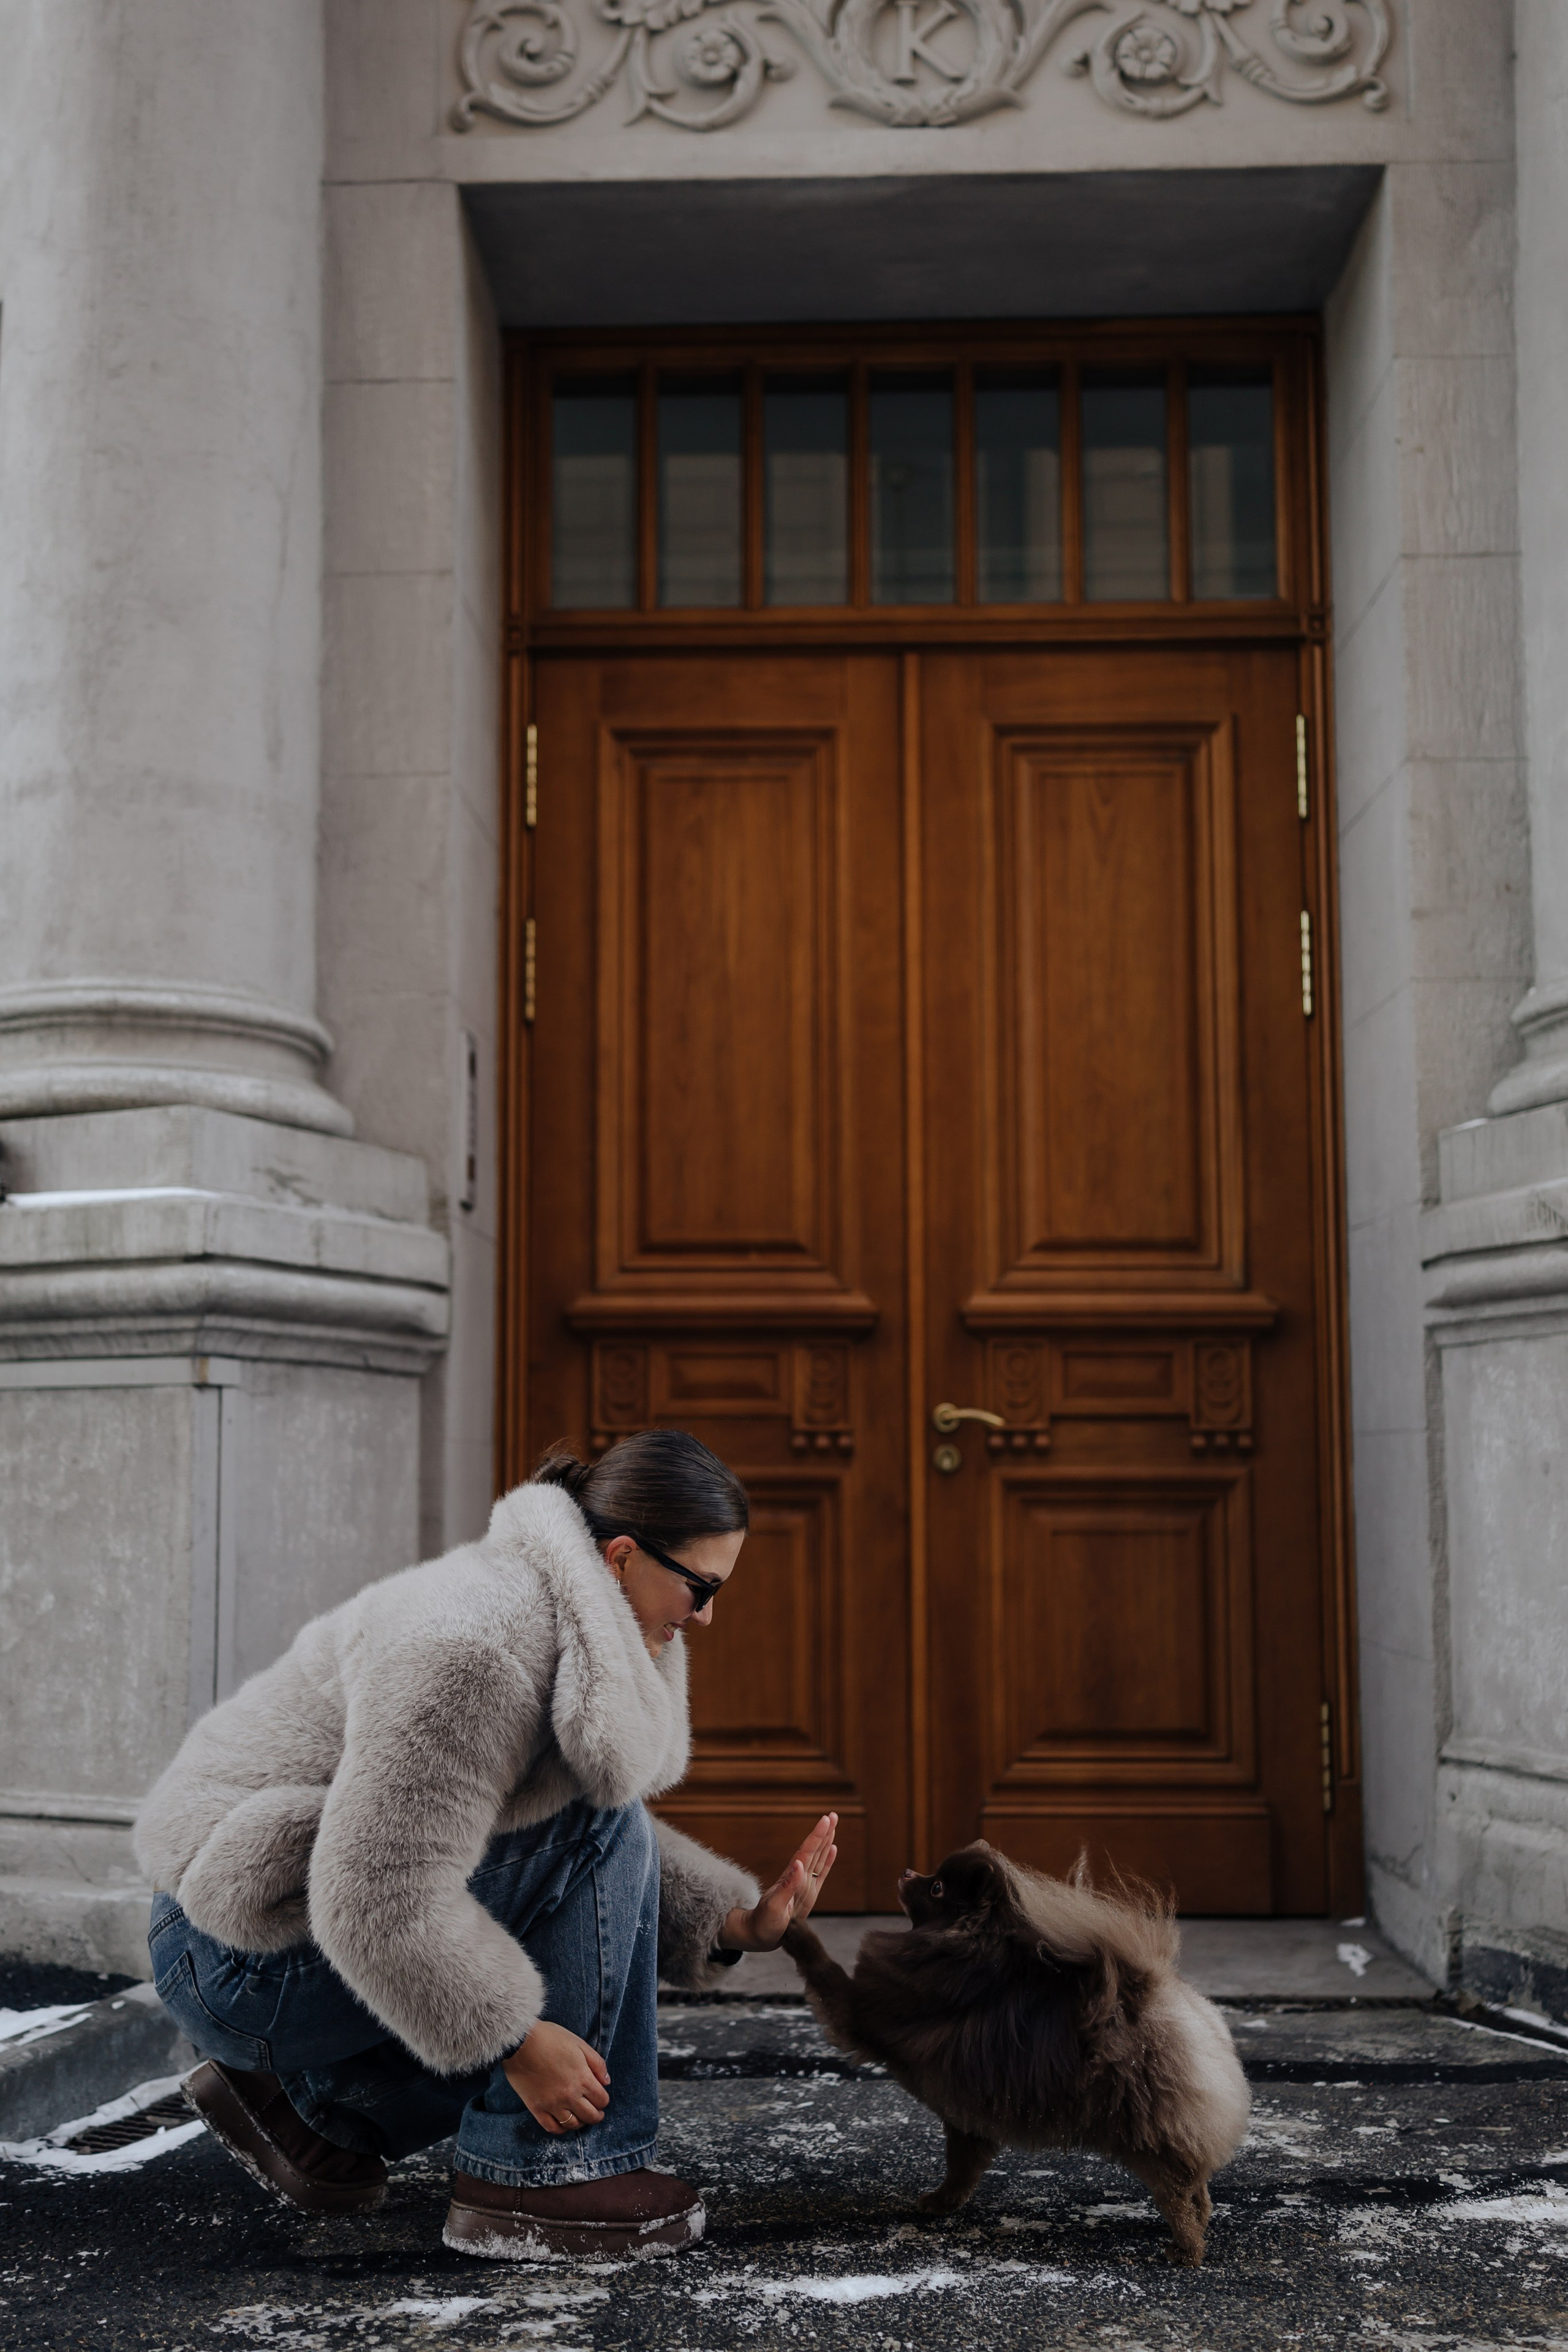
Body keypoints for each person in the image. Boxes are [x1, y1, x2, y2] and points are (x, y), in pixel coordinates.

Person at [134, 1430, 839, 2260]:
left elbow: (526, 1841)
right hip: (235, 1949)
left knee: (580, 1839)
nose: (706, 1617)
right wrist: (515, 2040)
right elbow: (374, 1899)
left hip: (281, 1922)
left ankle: (317, 2112)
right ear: (619, 1556)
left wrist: (729, 1924)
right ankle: (537, 2177)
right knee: (590, 1833)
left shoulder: (556, 1614)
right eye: (700, 1587)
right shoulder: (476, 1648)